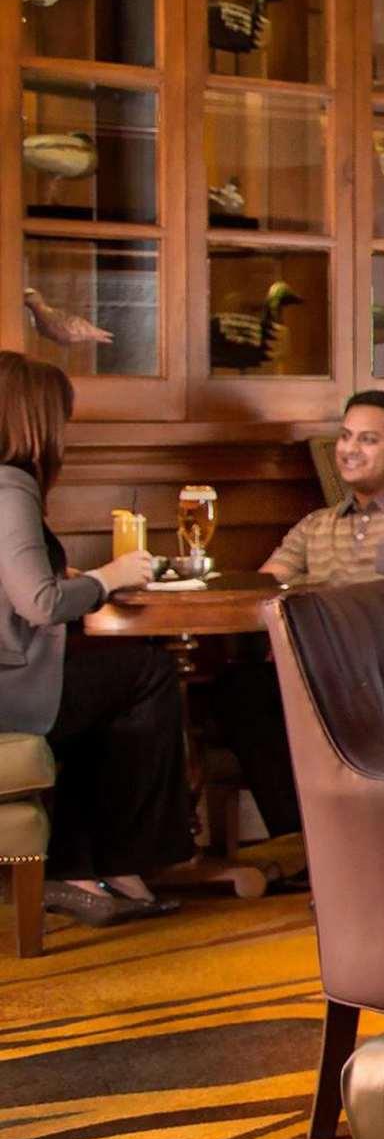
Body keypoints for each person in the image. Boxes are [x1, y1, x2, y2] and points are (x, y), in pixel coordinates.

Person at [208, 389, 384, 850]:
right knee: (240, 689)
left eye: (368, 440)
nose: (350, 449)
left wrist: (325, 602)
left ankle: (324, 848)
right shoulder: (317, 524)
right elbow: (263, 590)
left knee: (287, 693)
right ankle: (302, 845)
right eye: (345, 436)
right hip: (318, 667)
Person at [0, 353, 193, 926]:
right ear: (34, 418)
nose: (65, 431)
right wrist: (111, 577)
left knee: (112, 688)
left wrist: (74, 580)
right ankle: (112, 860)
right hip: (10, 692)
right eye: (61, 418)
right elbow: (39, 604)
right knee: (148, 672)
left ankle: (84, 866)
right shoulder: (10, 485)